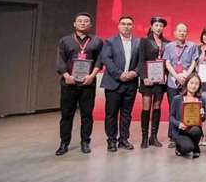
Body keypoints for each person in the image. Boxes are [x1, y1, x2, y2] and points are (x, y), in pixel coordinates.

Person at [55, 12, 104, 156]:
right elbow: (60, 60)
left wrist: (92, 76)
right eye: (80, 21)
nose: (83, 23)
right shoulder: (65, 41)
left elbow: (99, 60)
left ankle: (85, 142)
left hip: (88, 83)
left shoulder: (97, 41)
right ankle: (64, 143)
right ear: (74, 24)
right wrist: (66, 76)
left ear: (90, 24)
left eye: (86, 21)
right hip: (69, 83)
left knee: (87, 115)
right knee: (66, 115)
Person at [100, 15, 140, 152]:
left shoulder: (138, 42)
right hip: (113, 83)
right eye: (123, 23)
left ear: (132, 26)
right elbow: (106, 59)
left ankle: (123, 139)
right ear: (118, 26)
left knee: (126, 114)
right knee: (111, 114)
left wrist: (134, 73)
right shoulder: (110, 42)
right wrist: (119, 74)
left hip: (131, 83)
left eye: (129, 24)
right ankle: (111, 140)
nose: (126, 26)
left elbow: (141, 61)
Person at [163, 23, 198, 148]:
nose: (182, 33)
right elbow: (167, 63)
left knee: (187, 107)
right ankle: (173, 136)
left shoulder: (192, 46)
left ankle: (186, 133)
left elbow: (194, 62)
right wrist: (176, 76)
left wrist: (187, 77)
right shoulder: (169, 46)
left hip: (187, 83)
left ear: (187, 33)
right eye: (180, 31)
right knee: (173, 109)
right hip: (173, 82)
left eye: (184, 31)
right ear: (175, 32)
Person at [136, 16, 169, 148]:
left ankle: (153, 137)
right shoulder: (144, 41)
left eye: (161, 26)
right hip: (148, 80)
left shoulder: (167, 43)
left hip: (160, 81)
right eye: (156, 25)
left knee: (157, 107)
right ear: (151, 26)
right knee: (146, 107)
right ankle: (144, 137)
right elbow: (141, 60)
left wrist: (166, 75)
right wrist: (144, 77)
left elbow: (168, 62)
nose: (158, 28)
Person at [169, 73, 205, 158]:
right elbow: (171, 117)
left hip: (193, 129)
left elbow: (202, 119)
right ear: (187, 83)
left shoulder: (201, 99)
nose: (193, 86)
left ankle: (195, 147)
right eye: (191, 83)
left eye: (196, 84)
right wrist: (179, 124)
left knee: (196, 131)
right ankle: (179, 147)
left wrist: (202, 115)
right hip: (181, 131)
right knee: (187, 148)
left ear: (199, 86)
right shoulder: (177, 99)